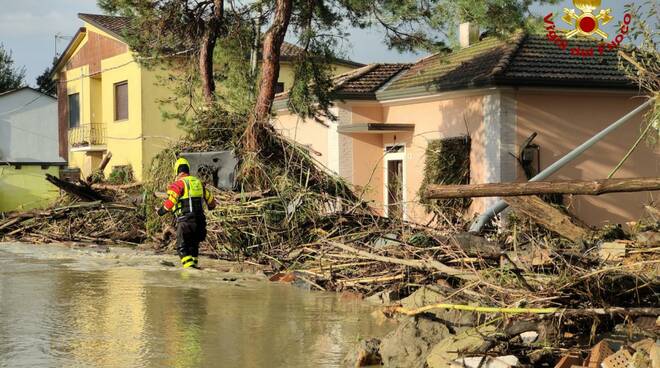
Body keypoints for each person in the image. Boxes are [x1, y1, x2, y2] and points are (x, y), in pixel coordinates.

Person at [157, 157, 216, 268]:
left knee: (182, 248)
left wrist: (160, 212)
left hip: (186, 222)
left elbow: (171, 202)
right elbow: (212, 203)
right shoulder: (198, 183)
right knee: (193, 248)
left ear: (177, 171)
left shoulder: (178, 184)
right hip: (200, 223)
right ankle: (194, 272)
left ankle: (189, 274)